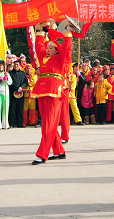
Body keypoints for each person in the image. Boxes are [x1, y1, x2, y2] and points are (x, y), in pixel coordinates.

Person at [31, 24, 73, 164]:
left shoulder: (61, 59)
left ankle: (42, 154)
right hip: (42, 90)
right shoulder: (44, 58)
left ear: (57, 50)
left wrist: (68, 34)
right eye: (47, 47)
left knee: (48, 124)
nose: (47, 49)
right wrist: (41, 32)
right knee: (48, 123)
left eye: (50, 48)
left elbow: (67, 49)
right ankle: (59, 150)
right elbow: (38, 47)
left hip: (55, 91)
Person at [8, 59, 28, 128]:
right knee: (12, 109)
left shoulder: (23, 73)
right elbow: (10, 83)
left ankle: (20, 123)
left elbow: (26, 81)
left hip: (21, 94)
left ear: (20, 66)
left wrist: (22, 87)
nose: (16, 66)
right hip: (13, 93)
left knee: (20, 108)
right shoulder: (10, 73)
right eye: (15, 65)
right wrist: (16, 88)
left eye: (17, 65)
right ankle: (12, 123)